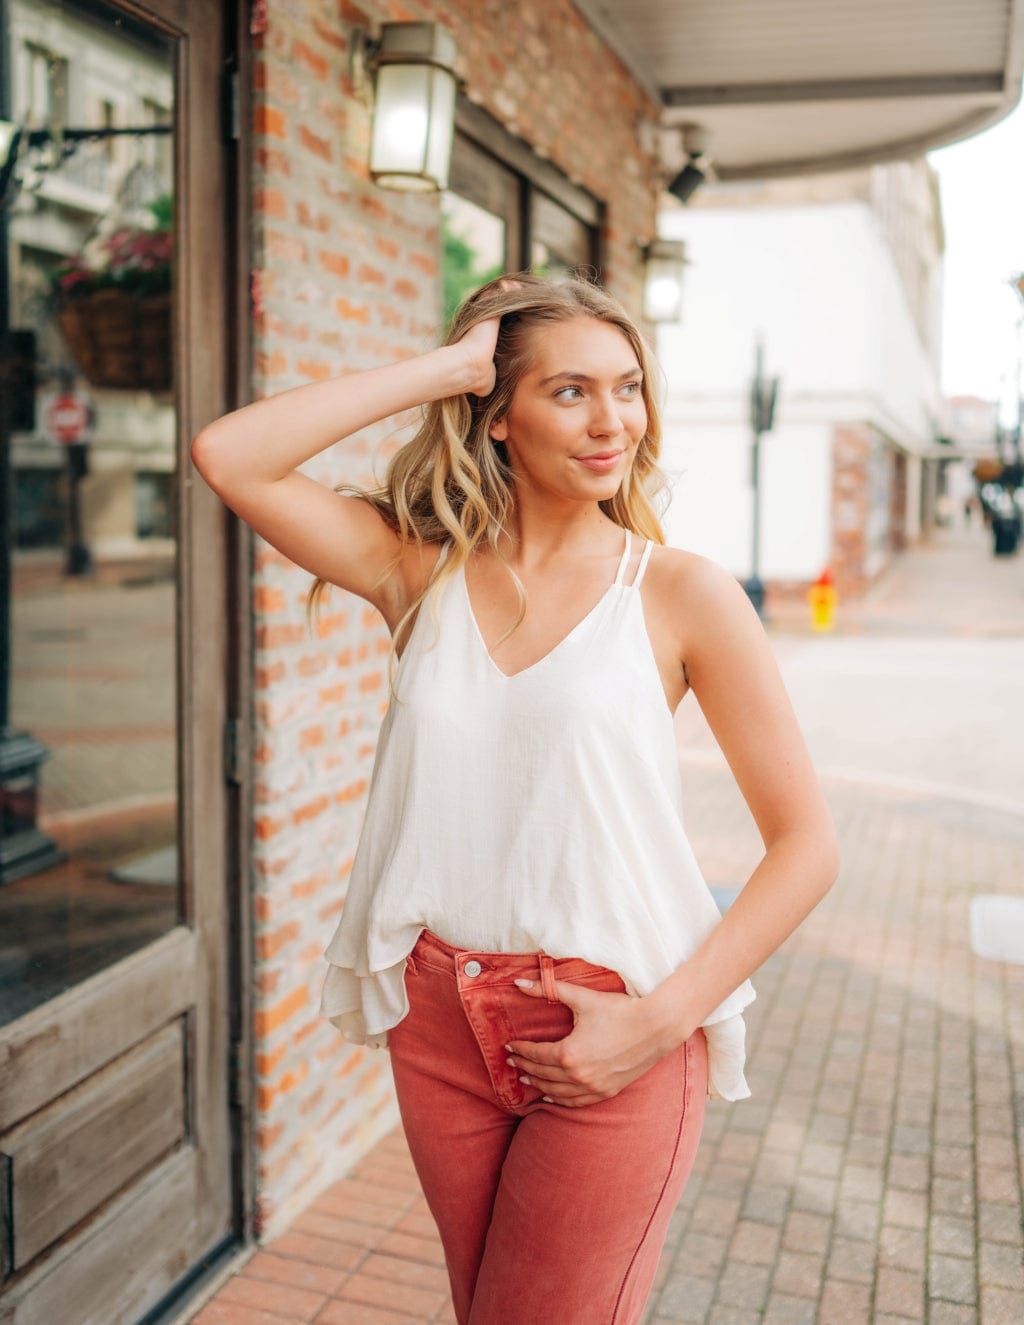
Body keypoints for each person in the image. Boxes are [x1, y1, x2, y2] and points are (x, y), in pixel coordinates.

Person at [191, 273, 839, 1324]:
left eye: (627, 388)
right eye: (571, 390)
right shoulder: (417, 571)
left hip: (616, 1017)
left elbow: (806, 844)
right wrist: (446, 367)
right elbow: (231, 453)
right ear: (497, 413)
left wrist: (660, 1021)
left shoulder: (678, 593)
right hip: (441, 1016)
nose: (613, 420)